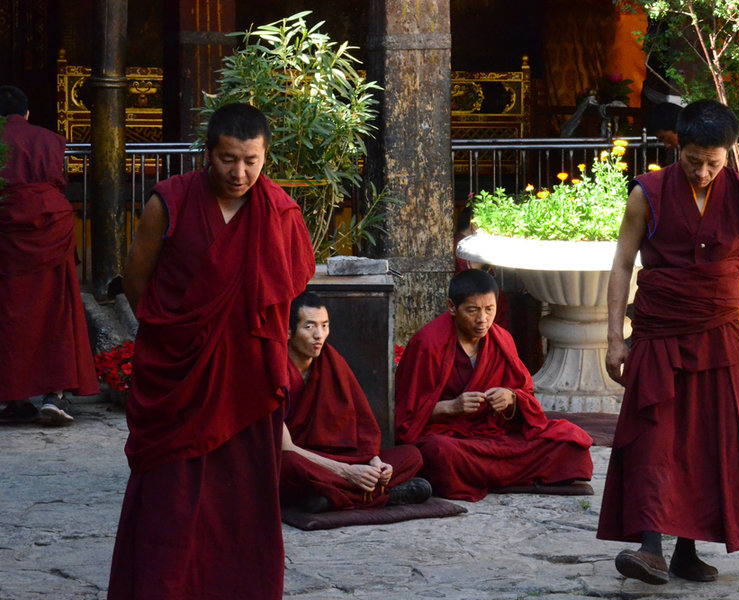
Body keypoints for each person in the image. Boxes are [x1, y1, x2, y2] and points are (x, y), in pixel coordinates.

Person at [107, 103, 316, 600]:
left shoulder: (281, 212)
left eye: (250, 160)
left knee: (242, 495)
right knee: (170, 493)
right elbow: (137, 279)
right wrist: (172, 334)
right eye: (227, 159)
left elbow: (286, 290)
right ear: (208, 153)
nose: (239, 172)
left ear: (266, 157)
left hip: (247, 379)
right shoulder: (170, 202)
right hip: (180, 373)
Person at [596, 100, 739, 584]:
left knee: (709, 441)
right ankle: (650, 546)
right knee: (656, 439)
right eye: (693, 159)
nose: (702, 171)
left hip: (719, 333)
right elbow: (622, 264)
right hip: (660, 332)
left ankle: (686, 549)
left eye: (713, 162)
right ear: (677, 146)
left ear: (730, 154)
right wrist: (614, 337)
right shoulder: (649, 192)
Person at [394, 269, 594, 502]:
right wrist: (450, 408)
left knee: (570, 440)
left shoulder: (501, 339)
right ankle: (510, 475)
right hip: (451, 438)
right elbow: (404, 417)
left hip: (495, 433)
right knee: (437, 453)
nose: (482, 319)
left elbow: (526, 396)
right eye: (472, 310)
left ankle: (483, 475)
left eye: (489, 310)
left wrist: (511, 399)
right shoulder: (428, 344)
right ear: (451, 307)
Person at [281, 291, 432, 512]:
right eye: (309, 326)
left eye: (325, 325)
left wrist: (375, 463)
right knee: (288, 466)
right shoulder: (275, 371)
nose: (319, 335)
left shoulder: (332, 363)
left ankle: (330, 497)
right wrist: (346, 472)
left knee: (412, 455)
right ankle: (376, 495)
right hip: (302, 459)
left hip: (336, 459)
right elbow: (285, 447)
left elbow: (362, 426)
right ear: (288, 332)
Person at [0, 85, 98, 425]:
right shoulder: (48, 138)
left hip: (7, 230)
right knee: (56, 309)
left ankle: (13, 395)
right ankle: (54, 394)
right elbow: (57, 179)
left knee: (10, 312)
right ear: (27, 114)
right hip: (50, 227)